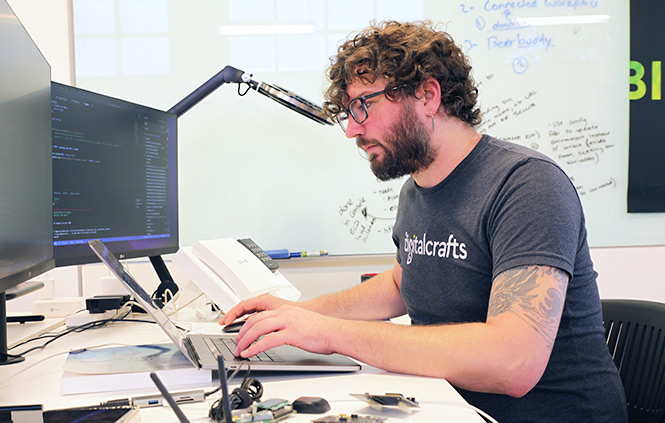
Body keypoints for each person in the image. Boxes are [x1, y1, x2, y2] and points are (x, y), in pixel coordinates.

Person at [220, 20, 628, 422]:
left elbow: (513, 361)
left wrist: (330, 335)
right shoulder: (416, 189)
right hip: (450, 404)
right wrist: (297, 315)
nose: (352, 130)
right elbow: (402, 283)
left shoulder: (527, 184)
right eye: (348, 111)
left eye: (364, 104)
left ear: (428, 95)